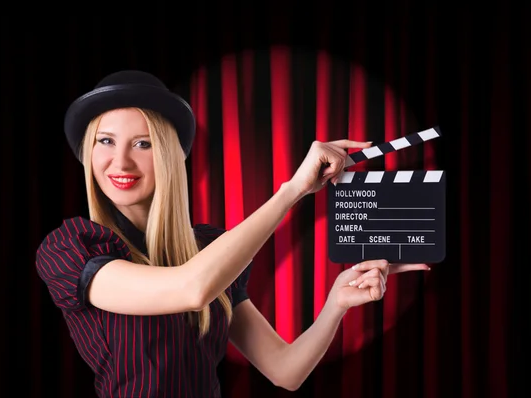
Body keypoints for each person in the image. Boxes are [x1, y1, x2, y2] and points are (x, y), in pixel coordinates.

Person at [35, 69, 430, 397]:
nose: (120, 161)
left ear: (170, 156)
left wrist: (336, 303)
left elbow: (284, 371)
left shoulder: (209, 248)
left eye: (143, 143)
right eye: (105, 141)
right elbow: (192, 289)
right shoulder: (70, 249)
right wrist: (292, 191)